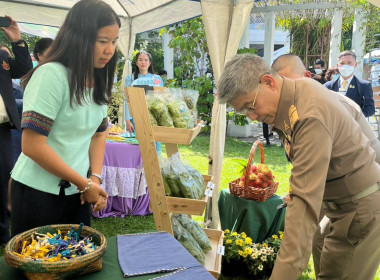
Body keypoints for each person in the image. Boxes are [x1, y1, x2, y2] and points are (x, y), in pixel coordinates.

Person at [217, 53, 380, 280]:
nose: (252, 117)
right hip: (337, 203)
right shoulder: (297, 94)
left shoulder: (309, 115)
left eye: (250, 106)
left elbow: (303, 209)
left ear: (269, 82)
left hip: (357, 210)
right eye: (243, 111)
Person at [10, 0, 118, 237]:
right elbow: (32, 146)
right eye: (102, 41)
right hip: (37, 193)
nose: (110, 50)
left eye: (114, 41)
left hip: (76, 194)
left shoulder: (98, 79)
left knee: (77, 262)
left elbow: (99, 134)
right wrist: (85, 184)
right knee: (38, 267)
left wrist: (94, 178)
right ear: (79, 37)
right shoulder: (52, 75)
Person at [272, 53, 380, 277]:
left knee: (342, 263)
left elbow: (372, 155)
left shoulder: (333, 106)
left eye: (288, 82)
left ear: (306, 77)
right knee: (319, 243)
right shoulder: (292, 113)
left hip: (361, 199)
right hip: (329, 195)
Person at [0, 16, 33, 245]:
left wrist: (17, 41)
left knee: (2, 178)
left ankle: (1, 232)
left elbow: (24, 68)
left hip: (1, 128)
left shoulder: (1, 55)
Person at [325, 50, 375, 117]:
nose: (345, 66)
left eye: (349, 63)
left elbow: (370, 109)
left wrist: (355, 117)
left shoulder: (364, 85)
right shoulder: (329, 86)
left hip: (355, 125)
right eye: (342, 63)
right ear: (338, 65)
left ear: (355, 65)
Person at [124, 51, 163, 132]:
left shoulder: (157, 79)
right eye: (140, 60)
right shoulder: (129, 79)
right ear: (136, 63)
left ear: (150, 63)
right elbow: (127, 100)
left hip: (154, 116)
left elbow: (161, 98)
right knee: (138, 142)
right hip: (136, 118)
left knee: (155, 142)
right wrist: (127, 120)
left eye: (146, 60)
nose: (143, 62)